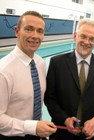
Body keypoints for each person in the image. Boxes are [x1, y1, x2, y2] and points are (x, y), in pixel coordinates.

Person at [44, 18, 94, 140]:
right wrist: (65, 119)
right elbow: (50, 99)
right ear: (75, 36)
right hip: (62, 133)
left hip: (92, 134)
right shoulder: (57, 63)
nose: (87, 42)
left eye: (92, 39)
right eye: (83, 36)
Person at [0, 11, 57, 139]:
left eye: (40, 31)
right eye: (29, 29)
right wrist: (32, 127)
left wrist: (38, 128)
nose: (35, 36)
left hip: (36, 134)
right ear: (17, 31)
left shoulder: (40, 63)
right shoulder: (3, 71)